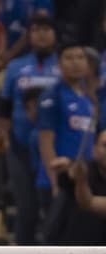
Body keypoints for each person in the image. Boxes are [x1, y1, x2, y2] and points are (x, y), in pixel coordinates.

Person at [0, 12, 58, 245]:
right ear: (29, 36)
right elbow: (3, 108)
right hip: (20, 147)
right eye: (36, 31)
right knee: (26, 209)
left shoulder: (64, 64)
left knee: (54, 207)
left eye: (46, 30)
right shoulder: (16, 67)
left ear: (55, 34)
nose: (41, 35)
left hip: (54, 151)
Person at [35, 43, 97, 239]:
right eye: (69, 58)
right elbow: (45, 141)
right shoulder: (52, 96)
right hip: (59, 180)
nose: (75, 63)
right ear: (59, 64)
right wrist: (54, 182)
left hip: (82, 180)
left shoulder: (89, 100)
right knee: (54, 237)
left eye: (80, 57)